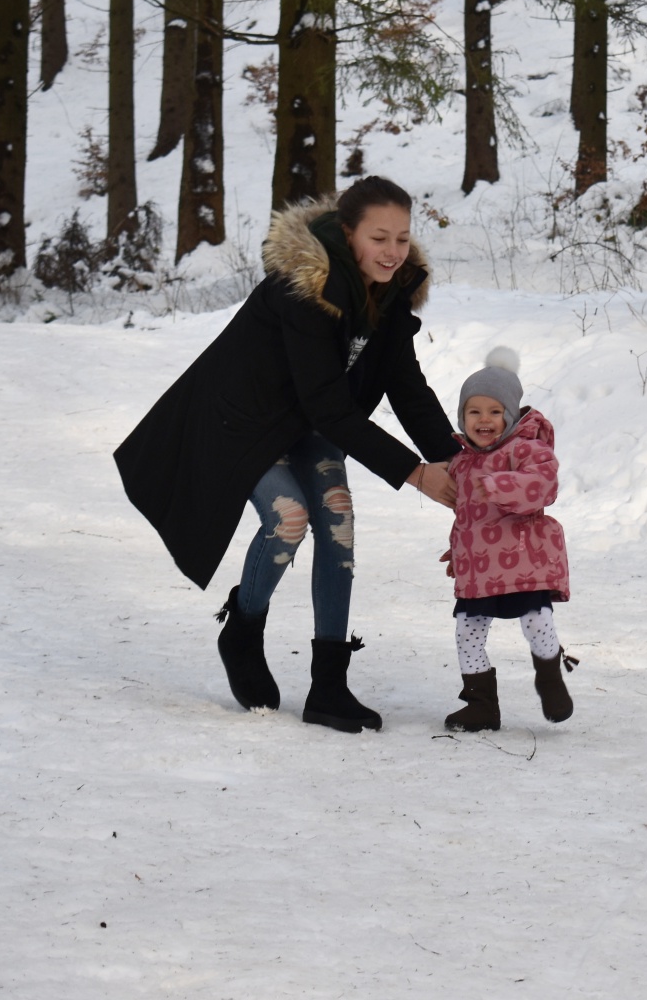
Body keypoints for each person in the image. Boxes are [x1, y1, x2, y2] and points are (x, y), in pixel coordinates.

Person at [115, 177, 460, 733]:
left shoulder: (391, 292)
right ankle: (244, 628)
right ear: (348, 235)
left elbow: (407, 386)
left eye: (401, 237)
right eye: (379, 238)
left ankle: (329, 685)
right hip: (245, 423)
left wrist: (456, 458)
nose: (393, 251)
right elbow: (328, 404)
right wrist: (416, 473)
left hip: (311, 424)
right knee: (289, 518)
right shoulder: (303, 290)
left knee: (339, 520)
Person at [440, 348, 575, 732]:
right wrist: (460, 547)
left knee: (536, 620)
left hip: (522, 562)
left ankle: (549, 678)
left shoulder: (525, 450)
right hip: (478, 568)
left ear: (511, 416)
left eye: (495, 412)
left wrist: (499, 483)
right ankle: (481, 704)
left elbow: (543, 486)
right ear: (462, 417)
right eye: (474, 412)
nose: (484, 420)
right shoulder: (462, 462)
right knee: (467, 632)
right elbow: (468, 514)